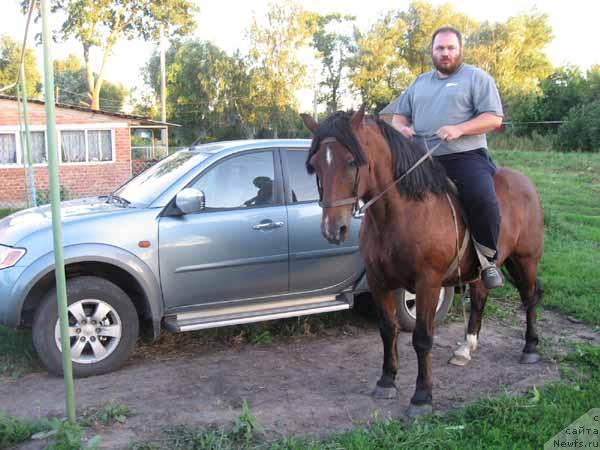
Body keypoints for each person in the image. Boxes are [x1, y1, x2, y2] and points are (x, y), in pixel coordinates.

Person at [381, 26, 504, 289]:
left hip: (465, 156)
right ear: (432, 52)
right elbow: (398, 116)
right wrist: (402, 128)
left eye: (450, 48)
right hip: (422, 159)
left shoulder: (477, 78)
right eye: (440, 48)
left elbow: (493, 118)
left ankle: (487, 260)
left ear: (460, 50)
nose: (445, 53)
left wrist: (459, 128)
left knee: (483, 199)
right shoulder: (419, 83)